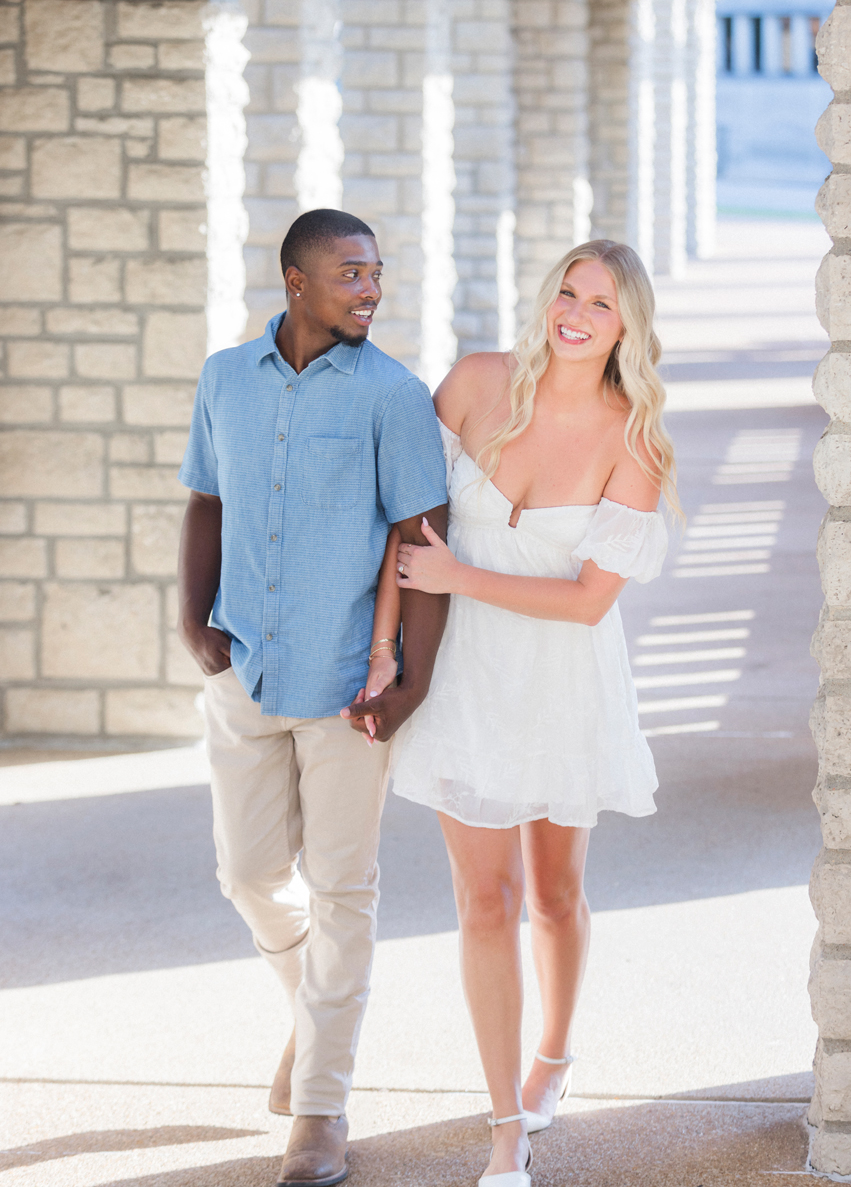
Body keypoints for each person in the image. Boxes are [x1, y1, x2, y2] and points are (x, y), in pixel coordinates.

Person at [348, 239, 677, 1187]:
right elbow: (406, 529)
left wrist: (459, 574)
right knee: (481, 901)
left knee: (554, 892)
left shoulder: (636, 435)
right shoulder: (476, 384)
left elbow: (585, 600)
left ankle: (556, 1056)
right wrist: (383, 653)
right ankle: (504, 1126)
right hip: (465, 681)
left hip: (566, 683)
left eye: (601, 303)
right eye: (567, 291)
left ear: (629, 327)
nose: (574, 313)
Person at [176, 208, 449, 1187]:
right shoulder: (223, 380)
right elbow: (206, 496)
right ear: (295, 281)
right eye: (351, 273)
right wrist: (192, 616)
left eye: (377, 273)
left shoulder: (394, 396)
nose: (372, 289)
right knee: (248, 874)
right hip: (245, 668)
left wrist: (407, 683)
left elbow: (424, 539)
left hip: (348, 689)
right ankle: (313, 1013)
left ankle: (323, 1109)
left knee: (343, 891)